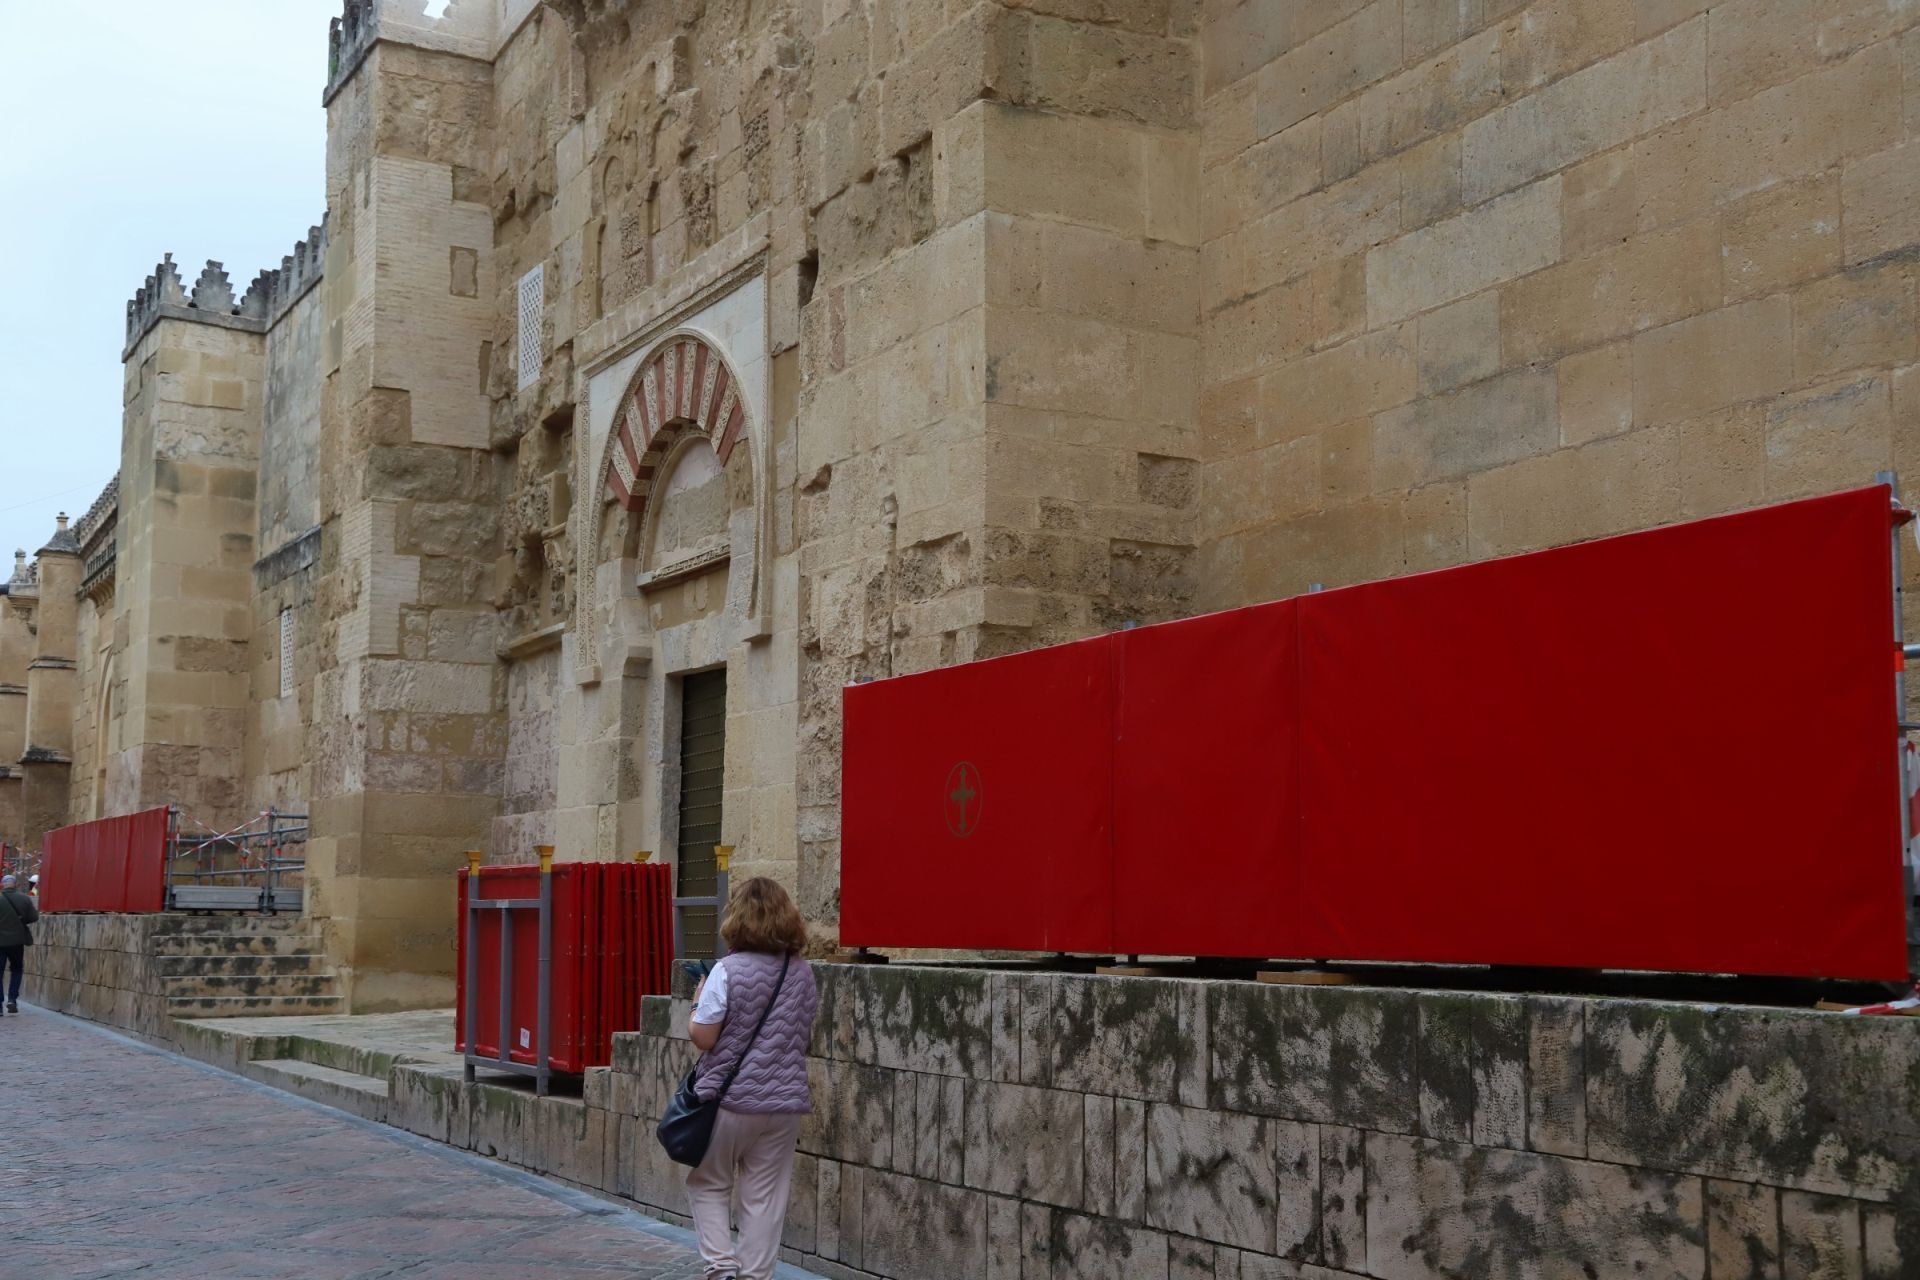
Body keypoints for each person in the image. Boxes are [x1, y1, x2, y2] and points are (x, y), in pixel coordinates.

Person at [685, 877, 818, 1280]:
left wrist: (696, 1002)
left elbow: (704, 1038)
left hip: (730, 1101)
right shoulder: (802, 973)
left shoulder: (726, 971)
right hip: (784, 1104)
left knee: (709, 1183)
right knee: (765, 1199)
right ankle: (755, 1276)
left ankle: (723, 1269)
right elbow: (804, 1034)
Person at [0, 872, 38, 1016]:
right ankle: (12, 999)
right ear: (15, 884)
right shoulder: (24, 899)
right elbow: (34, 917)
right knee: (16, 969)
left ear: (3, 884)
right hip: (17, 941)